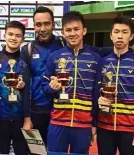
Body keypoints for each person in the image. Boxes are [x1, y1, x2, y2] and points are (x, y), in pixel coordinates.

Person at [42, 11, 101, 154]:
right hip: (58, 122)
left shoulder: (95, 59)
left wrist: (94, 124)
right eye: (68, 30)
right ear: (63, 32)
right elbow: (45, 89)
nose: (72, 33)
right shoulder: (54, 57)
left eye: (76, 29)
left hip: (84, 124)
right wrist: (52, 88)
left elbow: (96, 95)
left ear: (84, 31)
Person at [21, 6, 66, 146]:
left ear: (53, 24)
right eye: (38, 24)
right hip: (36, 111)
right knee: (36, 152)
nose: (42, 28)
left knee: (56, 152)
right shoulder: (27, 49)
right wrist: (27, 117)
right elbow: (25, 86)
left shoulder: (64, 45)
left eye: (46, 23)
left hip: (61, 110)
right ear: (34, 26)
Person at [0, 21, 32, 155]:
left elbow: (29, 92)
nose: (13, 38)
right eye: (10, 34)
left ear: (22, 39)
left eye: (18, 36)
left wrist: (27, 119)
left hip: (19, 119)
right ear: (4, 35)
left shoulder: (26, 62)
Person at [97, 15, 134, 155]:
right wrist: (99, 99)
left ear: (131, 37)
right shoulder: (102, 62)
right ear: (111, 35)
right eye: (116, 32)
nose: (120, 36)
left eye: (125, 32)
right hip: (105, 127)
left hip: (130, 129)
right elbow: (96, 91)